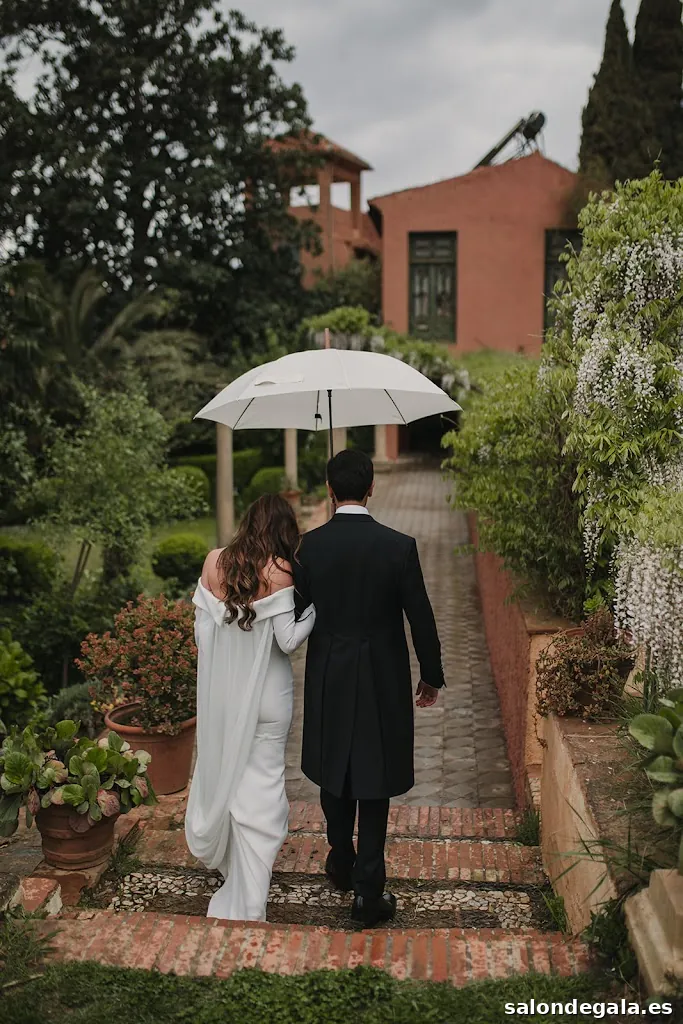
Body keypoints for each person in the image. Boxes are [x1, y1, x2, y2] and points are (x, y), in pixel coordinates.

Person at [293, 449, 445, 927]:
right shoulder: (398, 546)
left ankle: (340, 856)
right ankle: (368, 892)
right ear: (372, 487)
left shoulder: (309, 547)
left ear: (330, 490)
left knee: (333, 767)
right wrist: (431, 675)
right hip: (382, 674)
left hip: (329, 675)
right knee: (374, 777)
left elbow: (296, 613)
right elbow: (421, 616)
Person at [185, 494, 315, 922]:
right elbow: (288, 641)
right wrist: (314, 608)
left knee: (235, 778)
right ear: (283, 528)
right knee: (265, 788)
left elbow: (203, 638)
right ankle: (252, 891)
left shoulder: (214, 562)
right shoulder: (281, 571)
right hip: (268, 697)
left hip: (225, 695)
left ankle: (236, 873)